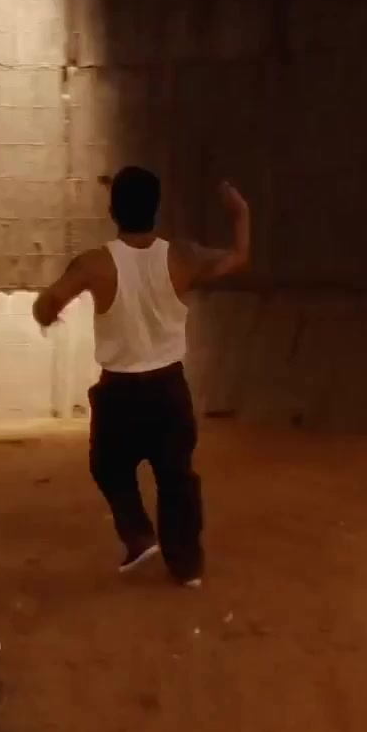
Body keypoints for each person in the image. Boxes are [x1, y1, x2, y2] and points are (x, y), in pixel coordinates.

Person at [32, 167, 251, 588]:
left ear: (113, 210)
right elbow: (239, 258)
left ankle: (138, 535)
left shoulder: (94, 263)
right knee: (176, 478)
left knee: (107, 466)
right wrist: (241, 213)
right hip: (169, 389)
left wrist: (48, 312)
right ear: (156, 209)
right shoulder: (182, 257)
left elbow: (48, 304)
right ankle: (186, 567)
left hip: (119, 393)